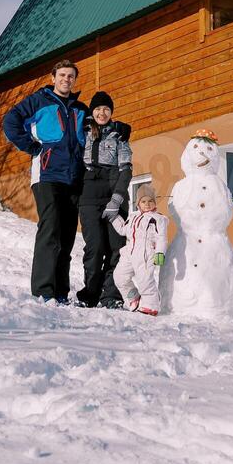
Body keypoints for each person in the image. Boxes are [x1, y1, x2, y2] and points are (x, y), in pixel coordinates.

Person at [2, 60, 87, 302]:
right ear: (53, 78)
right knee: (50, 230)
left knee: (68, 235)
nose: (66, 79)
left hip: (74, 177)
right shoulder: (38, 101)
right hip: (47, 174)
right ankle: (43, 290)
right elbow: (11, 121)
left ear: (74, 79)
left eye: (70, 76)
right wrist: (31, 146)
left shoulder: (80, 108)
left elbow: (97, 128)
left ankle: (61, 291)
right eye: (62, 75)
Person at [76, 91, 132, 308]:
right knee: (95, 247)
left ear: (111, 113)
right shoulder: (83, 133)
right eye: (98, 109)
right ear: (92, 111)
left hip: (113, 193)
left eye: (106, 109)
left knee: (116, 248)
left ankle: (111, 296)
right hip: (89, 195)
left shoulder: (120, 137)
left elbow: (126, 170)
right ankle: (90, 293)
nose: (102, 113)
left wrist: (117, 200)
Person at [109, 182, 168, 316]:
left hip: (146, 253)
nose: (147, 204)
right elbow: (123, 230)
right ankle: (133, 297)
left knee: (145, 279)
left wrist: (160, 253)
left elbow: (162, 238)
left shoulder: (158, 219)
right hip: (129, 252)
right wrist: (114, 218)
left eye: (150, 201)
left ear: (155, 202)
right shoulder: (133, 216)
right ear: (138, 203)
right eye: (143, 201)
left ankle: (150, 305)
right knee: (119, 276)